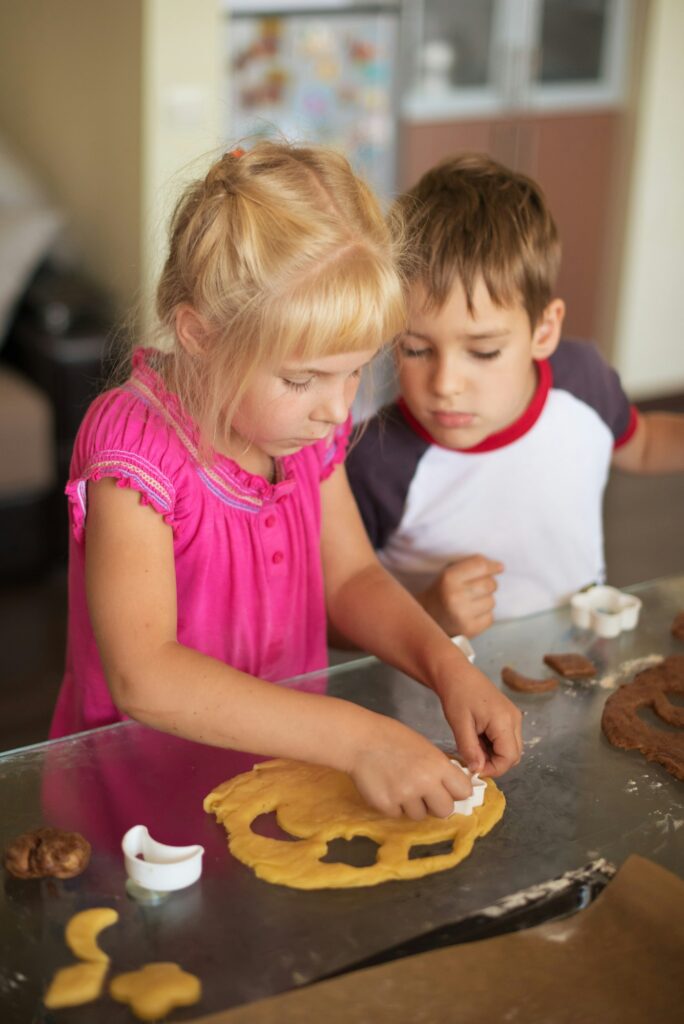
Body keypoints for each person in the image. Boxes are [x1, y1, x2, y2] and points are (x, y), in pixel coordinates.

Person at [49, 141, 522, 820]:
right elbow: (143, 674)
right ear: (201, 335)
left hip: (289, 774)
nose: (337, 409)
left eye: (355, 370)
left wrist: (447, 666)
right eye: (302, 379)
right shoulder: (133, 449)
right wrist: (363, 740)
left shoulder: (300, 430)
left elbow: (352, 578)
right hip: (148, 800)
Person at [347, 153, 684, 637]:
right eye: (416, 349)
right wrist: (425, 613)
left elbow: (643, 442)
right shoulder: (374, 458)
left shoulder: (582, 380)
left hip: (580, 664)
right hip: (432, 701)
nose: (445, 384)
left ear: (543, 330)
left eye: (483, 351)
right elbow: (334, 605)